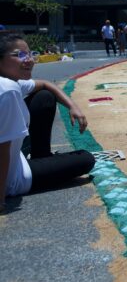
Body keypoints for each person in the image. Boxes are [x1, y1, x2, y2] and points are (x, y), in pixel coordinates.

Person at [0, 34, 95, 211]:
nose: (28, 60)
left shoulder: (11, 83)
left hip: (14, 156)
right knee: (85, 159)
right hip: (12, 179)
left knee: (44, 97)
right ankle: (37, 164)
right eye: (19, 55)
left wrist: (73, 106)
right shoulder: (7, 89)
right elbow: (2, 150)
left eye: (30, 54)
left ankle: (41, 157)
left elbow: (45, 84)